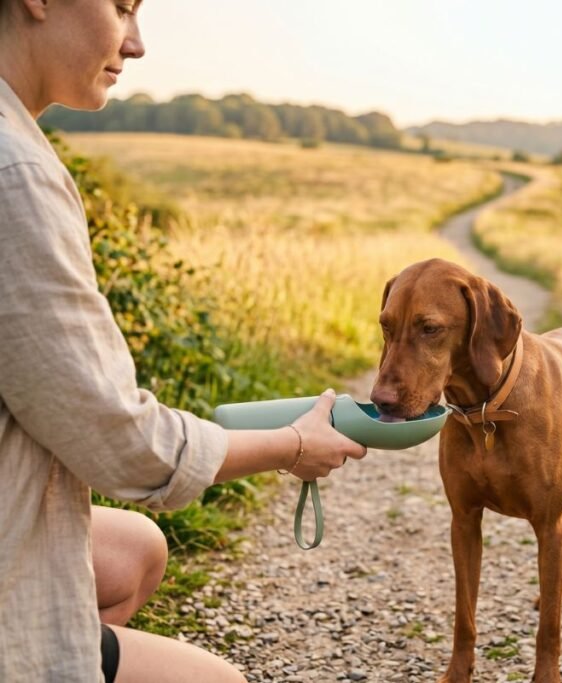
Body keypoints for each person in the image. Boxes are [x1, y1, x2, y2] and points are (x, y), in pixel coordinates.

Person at [0, 1, 369, 681]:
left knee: (135, 548)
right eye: (122, 7)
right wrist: (292, 445)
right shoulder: (15, 175)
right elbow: (125, 444)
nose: (135, 43)